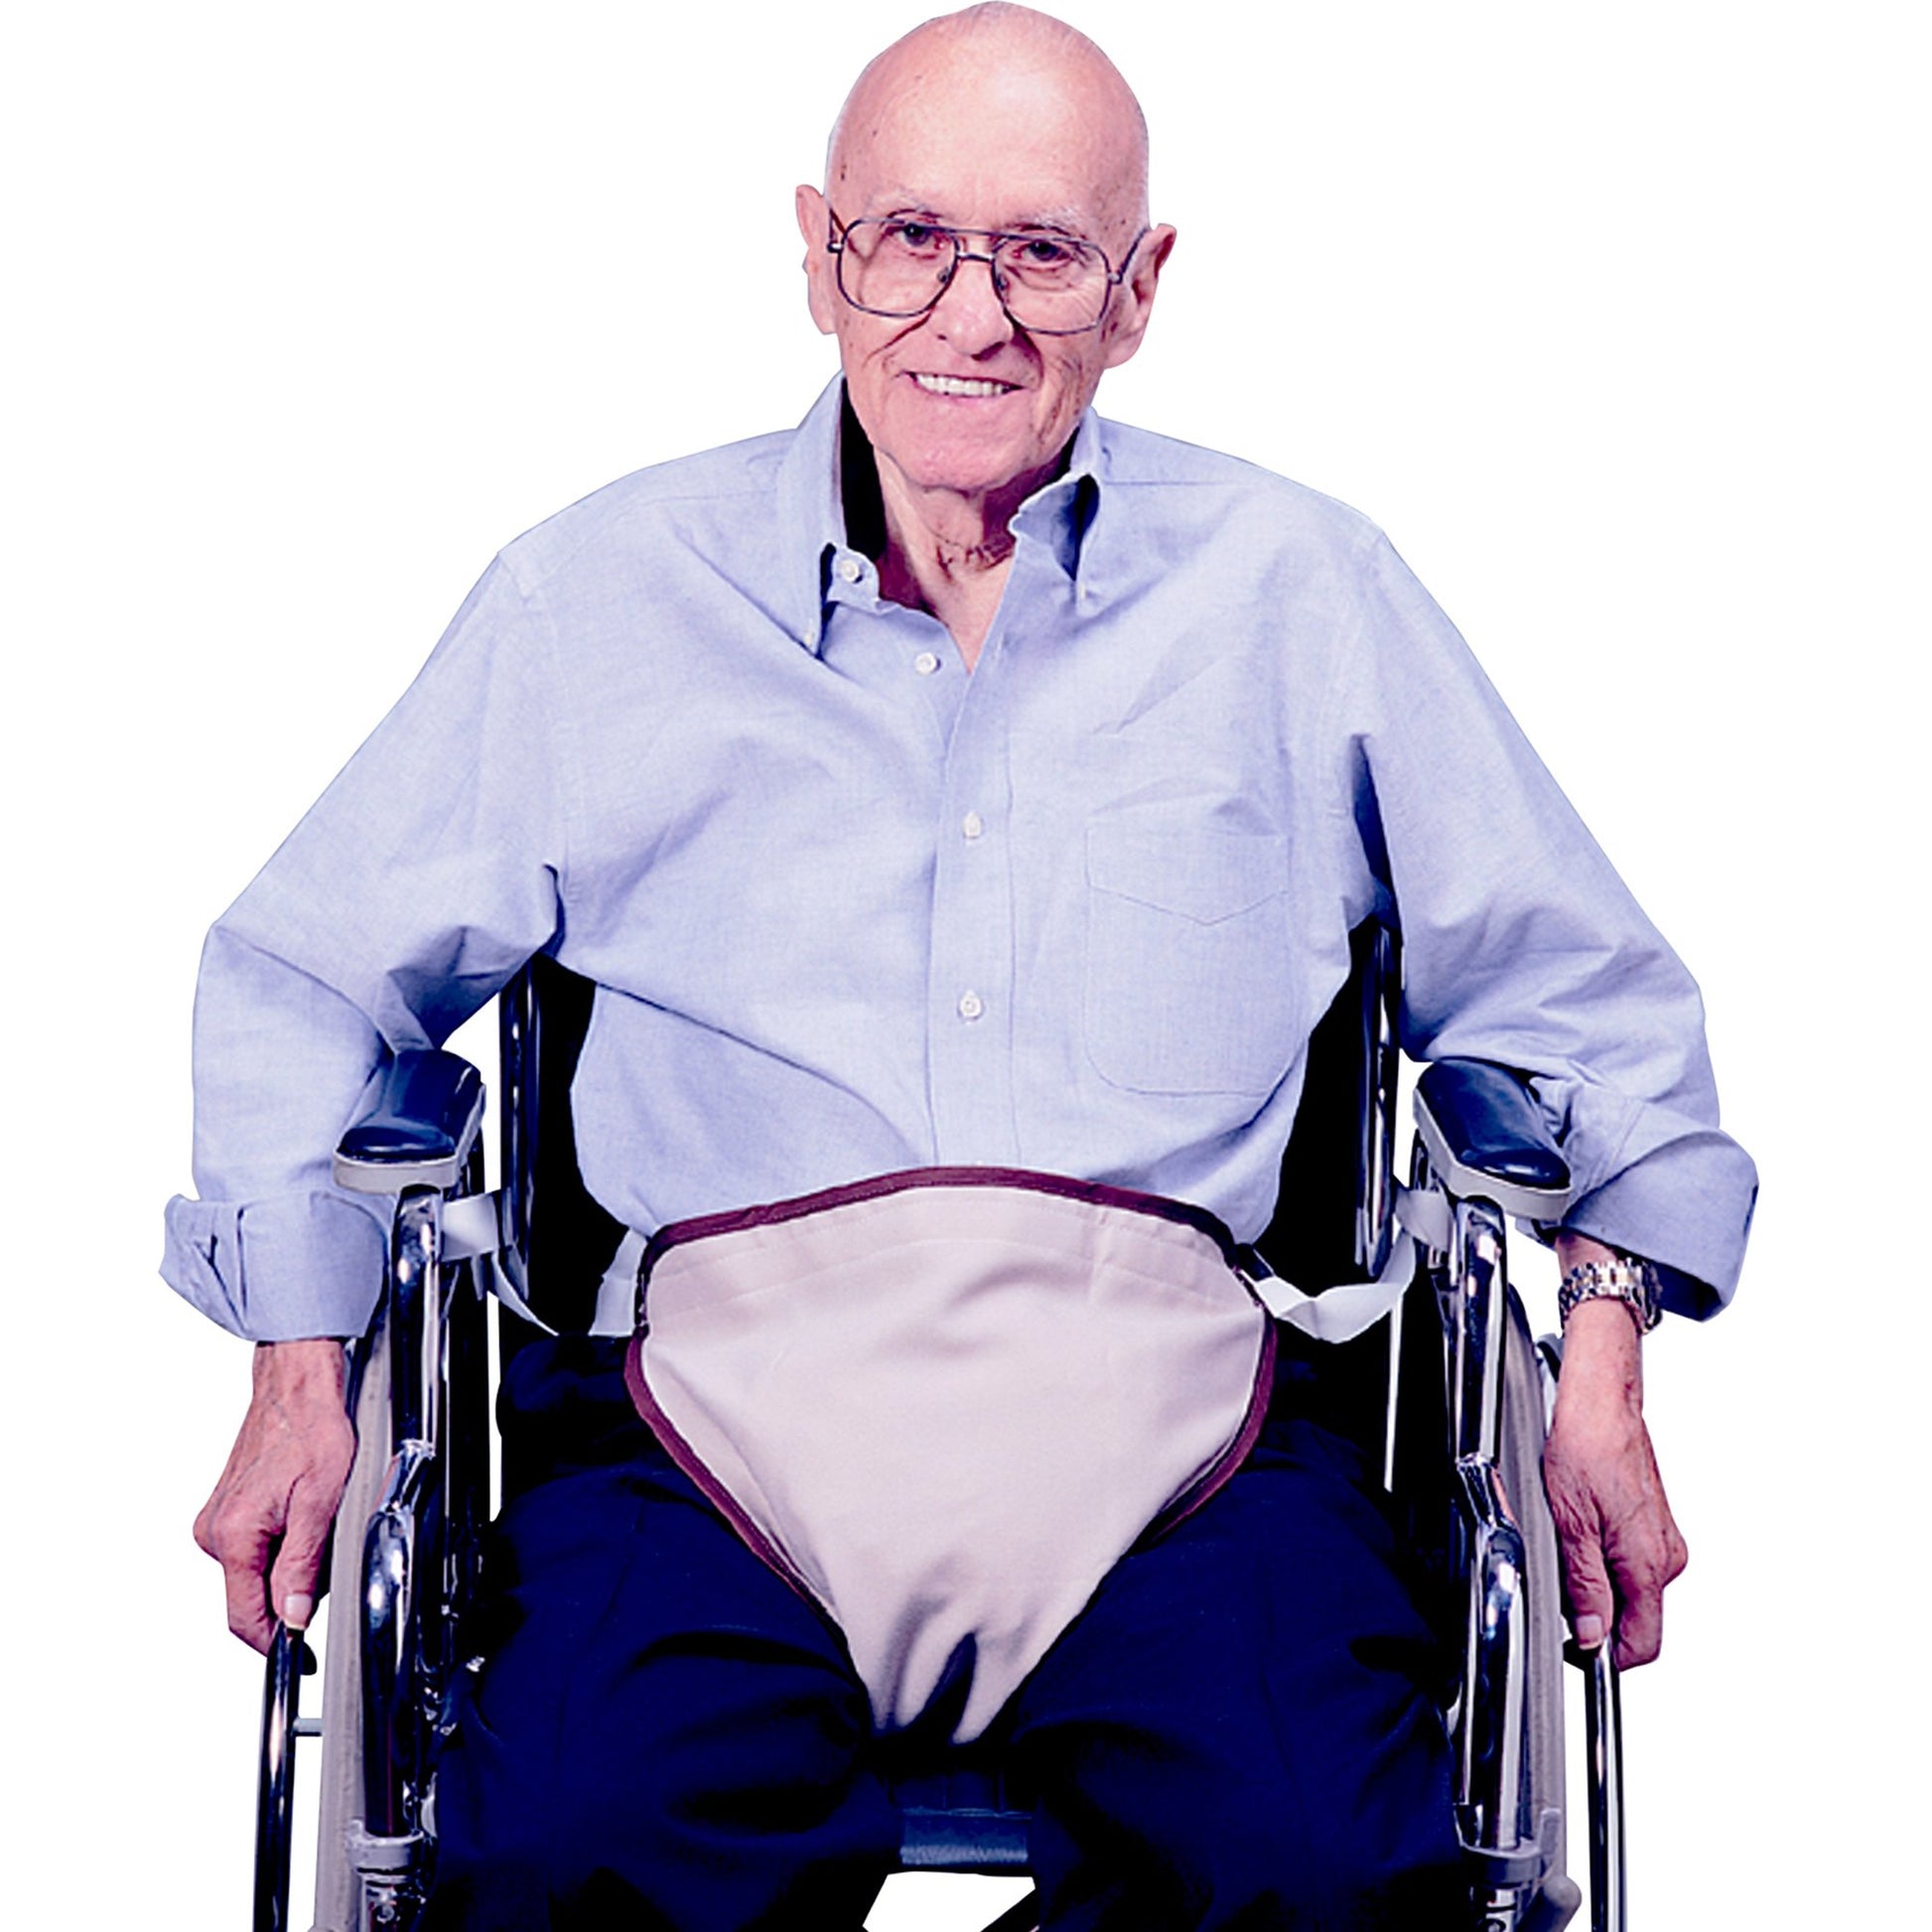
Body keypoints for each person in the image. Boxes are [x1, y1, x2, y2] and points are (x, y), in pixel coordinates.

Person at [170, 6, 1756, 1925]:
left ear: (1138, 289)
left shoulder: (1298, 590)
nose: (969, 314)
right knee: (574, 1844)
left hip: (1183, 1433)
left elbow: (1582, 999)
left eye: (1041, 253)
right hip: (709, 1426)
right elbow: (305, 971)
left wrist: (1599, 1349)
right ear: (818, 255)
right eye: (912, 238)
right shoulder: (595, 596)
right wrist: (302, 1360)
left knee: (1314, 1866)